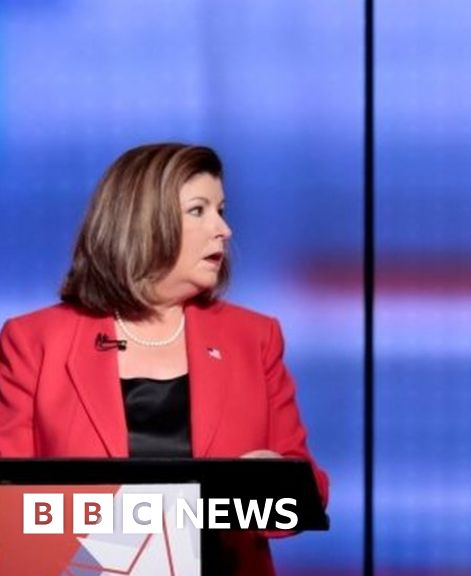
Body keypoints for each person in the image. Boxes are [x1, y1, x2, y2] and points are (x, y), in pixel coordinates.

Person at [0, 143, 329, 575]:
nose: (224, 229)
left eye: (222, 210)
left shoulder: (254, 337)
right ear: (142, 222)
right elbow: (10, 503)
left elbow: (308, 490)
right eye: (199, 210)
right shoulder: (34, 340)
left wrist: (274, 485)